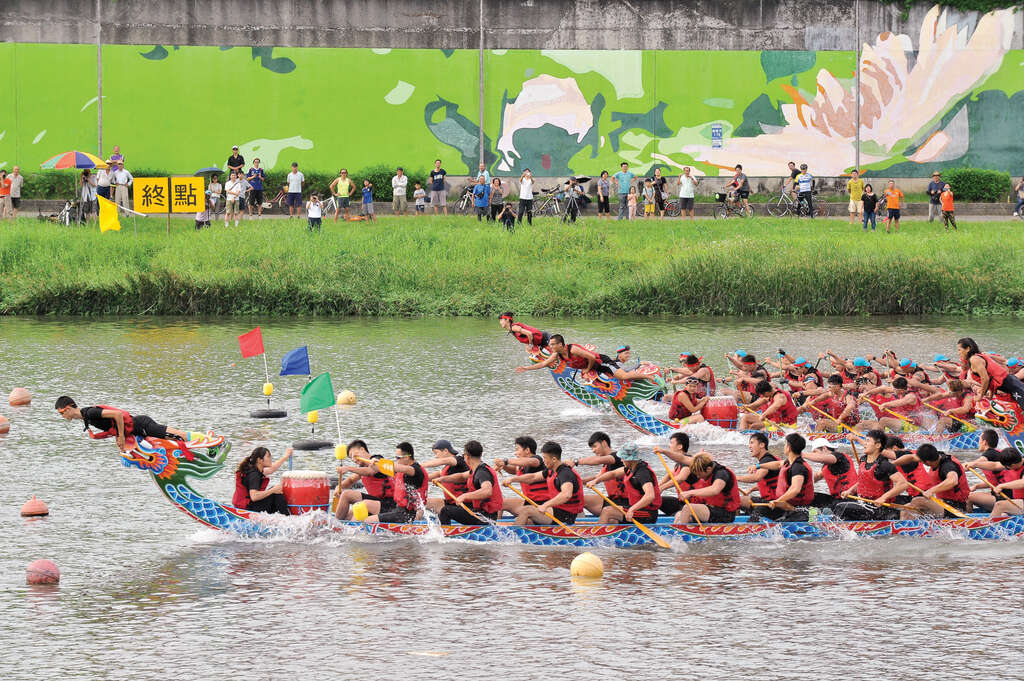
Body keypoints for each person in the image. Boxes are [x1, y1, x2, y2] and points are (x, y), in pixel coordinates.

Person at [54, 395, 190, 451]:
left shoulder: (89, 413)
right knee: (172, 444)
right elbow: (111, 425)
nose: (63, 416)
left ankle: (208, 441)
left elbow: (117, 414)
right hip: (138, 431)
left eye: (62, 412)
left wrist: (121, 436)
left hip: (142, 425)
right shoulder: (86, 418)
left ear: (69, 407)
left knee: (180, 436)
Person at [831, 429, 905, 520]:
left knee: (840, 507)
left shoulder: (884, 465)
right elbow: (863, 481)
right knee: (835, 503)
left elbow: (903, 484)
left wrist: (883, 498)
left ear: (878, 445)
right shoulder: (863, 460)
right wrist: (849, 491)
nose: (865, 444)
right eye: (865, 440)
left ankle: (835, 530)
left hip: (877, 508)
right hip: (863, 503)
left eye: (868, 441)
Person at [508, 441, 584, 526]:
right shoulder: (550, 471)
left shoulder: (565, 473)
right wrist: (513, 479)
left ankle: (513, 537)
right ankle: (520, 534)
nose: (543, 461)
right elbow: (532, 477)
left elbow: (566, 495)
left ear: (554, 459)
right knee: (527, 521)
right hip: (556, 510)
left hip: (566, 515)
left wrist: (545, 505)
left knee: (526, 510)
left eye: (545, 458)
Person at [591, 443, 661, 523]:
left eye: (623, 458)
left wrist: (632, 509)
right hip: (638, 510)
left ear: (630, 459)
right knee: (611, 519)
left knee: (607, 511)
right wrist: (596, 481)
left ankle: (598, 533)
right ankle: (606, 532)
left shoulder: (642, 473)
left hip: (647, 514)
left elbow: (650, 496)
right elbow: (613, 474)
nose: (621, 460)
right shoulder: (630, 468)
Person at [436, 440, 503, 524]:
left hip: (485, 518)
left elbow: (487, 491)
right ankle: (446, 530)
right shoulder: (476, 469)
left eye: (464, 455)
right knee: (448, 509)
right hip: (479, 512)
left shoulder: (482, 472)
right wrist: (443, 479)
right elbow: (462, 476)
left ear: (467, 456)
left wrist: (464, 496)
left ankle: (445, 535)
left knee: (445, 510)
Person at [897, 444, 969, 519]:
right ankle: (906, 528)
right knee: (906, 508)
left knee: (917, 501)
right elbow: (911, 458)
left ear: (927, 463)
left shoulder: (947, 466)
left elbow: (953, 481)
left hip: (956, 508)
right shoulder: (935, 456)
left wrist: (931, 490)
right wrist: (892, 465)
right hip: (943, 503)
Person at [365, 442, 429, 523]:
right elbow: (383, 469)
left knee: (368, 520)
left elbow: (404, 469)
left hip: (408, 515)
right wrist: (375, 463)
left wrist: (380, 462)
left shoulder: (415, 470)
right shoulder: (402, 469)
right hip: (398, 509)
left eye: (398, 457)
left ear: (407, 457)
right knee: (365, 508)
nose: (396, 460)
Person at [759, 433, 816, 521]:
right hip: (787, 506)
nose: (784, 446)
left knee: (762, 510)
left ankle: (751, 531)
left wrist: (778, 501)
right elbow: (777, 464)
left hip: (800, 511)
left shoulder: (798, 467)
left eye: (785, 444)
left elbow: (795, 489)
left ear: (788, 447)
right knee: (760, 509)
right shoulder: (789, 462)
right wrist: (758, 466)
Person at [958, 337, 1024, 413]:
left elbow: (985, 379)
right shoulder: (977, 357)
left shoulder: (974, 359)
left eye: (959, 350)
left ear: (968, 349)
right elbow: (991, 376)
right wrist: (991, 392)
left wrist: (980, 395)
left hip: (1013, 386)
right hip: (1011, 385)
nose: (958, 353)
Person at [674, 452, 741, 523]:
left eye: (699, 474)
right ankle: (679, 531)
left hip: (726, 514)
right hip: (712, 509)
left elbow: (715, 490)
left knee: (688, 508)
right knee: (679, 514)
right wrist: (663, 451)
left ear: (708, 469)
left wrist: (690, 493)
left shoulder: (722, 473)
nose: (698, 477)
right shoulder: (708, 471)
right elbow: (682, 458)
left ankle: (680, 533)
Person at [334, 441, 395, 520]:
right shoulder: (361, 468)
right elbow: (351, 480)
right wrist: (339, 487)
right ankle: (337, 523)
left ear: (362, 449)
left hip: (390, 504)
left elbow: (370, 472)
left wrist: (348, 468)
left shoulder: (377, 459)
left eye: (354, 455)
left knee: (349, 497)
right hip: (376, 502)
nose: (354, 460)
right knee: (348, 513)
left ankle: (338, 525)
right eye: (351, 458)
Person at [493, 435, 550, 517]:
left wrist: (505, 461)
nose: (515, 453)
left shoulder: (537, 460)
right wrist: (504, 466)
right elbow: (513, 470)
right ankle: (496, 526)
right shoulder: (520, 465)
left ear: (527, 450)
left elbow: (531, 462)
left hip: (543, 505)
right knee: (500, 503)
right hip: (529, 503)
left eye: (517, 449)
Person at [574, 431, 627, 517]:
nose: (593, 450)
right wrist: (576, 481)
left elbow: (597, 460)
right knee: (578, 499)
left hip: (625, 503)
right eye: (591, 448)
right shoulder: (606, 464)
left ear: (604, 443)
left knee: (580, 500)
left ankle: (581, 526)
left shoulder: (617, 457)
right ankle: (579, 523)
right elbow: (596, 478)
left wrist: (576, 462)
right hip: (613, 501)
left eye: (595, 446)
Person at [232, 446, 292, 515]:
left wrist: (286, 456)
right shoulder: (254, 474)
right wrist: (273, 490)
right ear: (259, 460)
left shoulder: (255, 469)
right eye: (268, 457)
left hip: (248, 505)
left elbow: (271, 469)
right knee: (276, 493)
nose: (271, 459)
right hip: (248, 508)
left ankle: (283, 516)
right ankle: (287, 518)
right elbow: (254, 496)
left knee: (275, 490)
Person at [513, 334, 600, 375]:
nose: (551, 347)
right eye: (550, 345)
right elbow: (543, 364)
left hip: (599, 363)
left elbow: (592, 357)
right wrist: (526, 368)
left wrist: (588, 369)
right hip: (589, 369)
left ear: (560, 344)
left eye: (553, 344)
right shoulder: (556, 355)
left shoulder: (573, 349)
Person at [736, 432, 781, 512]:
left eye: (752, 443)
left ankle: (736, 523)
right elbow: (770, 483)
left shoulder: (767, 461)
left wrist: (735, 478)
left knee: (737, 501)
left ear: (762, 445)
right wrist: (752, 489)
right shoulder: (768, 459)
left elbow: (757, 477)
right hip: (773, 502)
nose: (749, 446)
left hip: (774, 504)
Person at [421, 439, 468, 514]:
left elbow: (443, 461)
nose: (436, 456)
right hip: (451, 503)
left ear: (446, 451)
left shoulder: (459, 461)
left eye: (436, 453)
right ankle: (412, 522)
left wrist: (419, 466)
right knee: (420, 502)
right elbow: (437, 474)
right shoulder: (447, 468)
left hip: (463, 506)